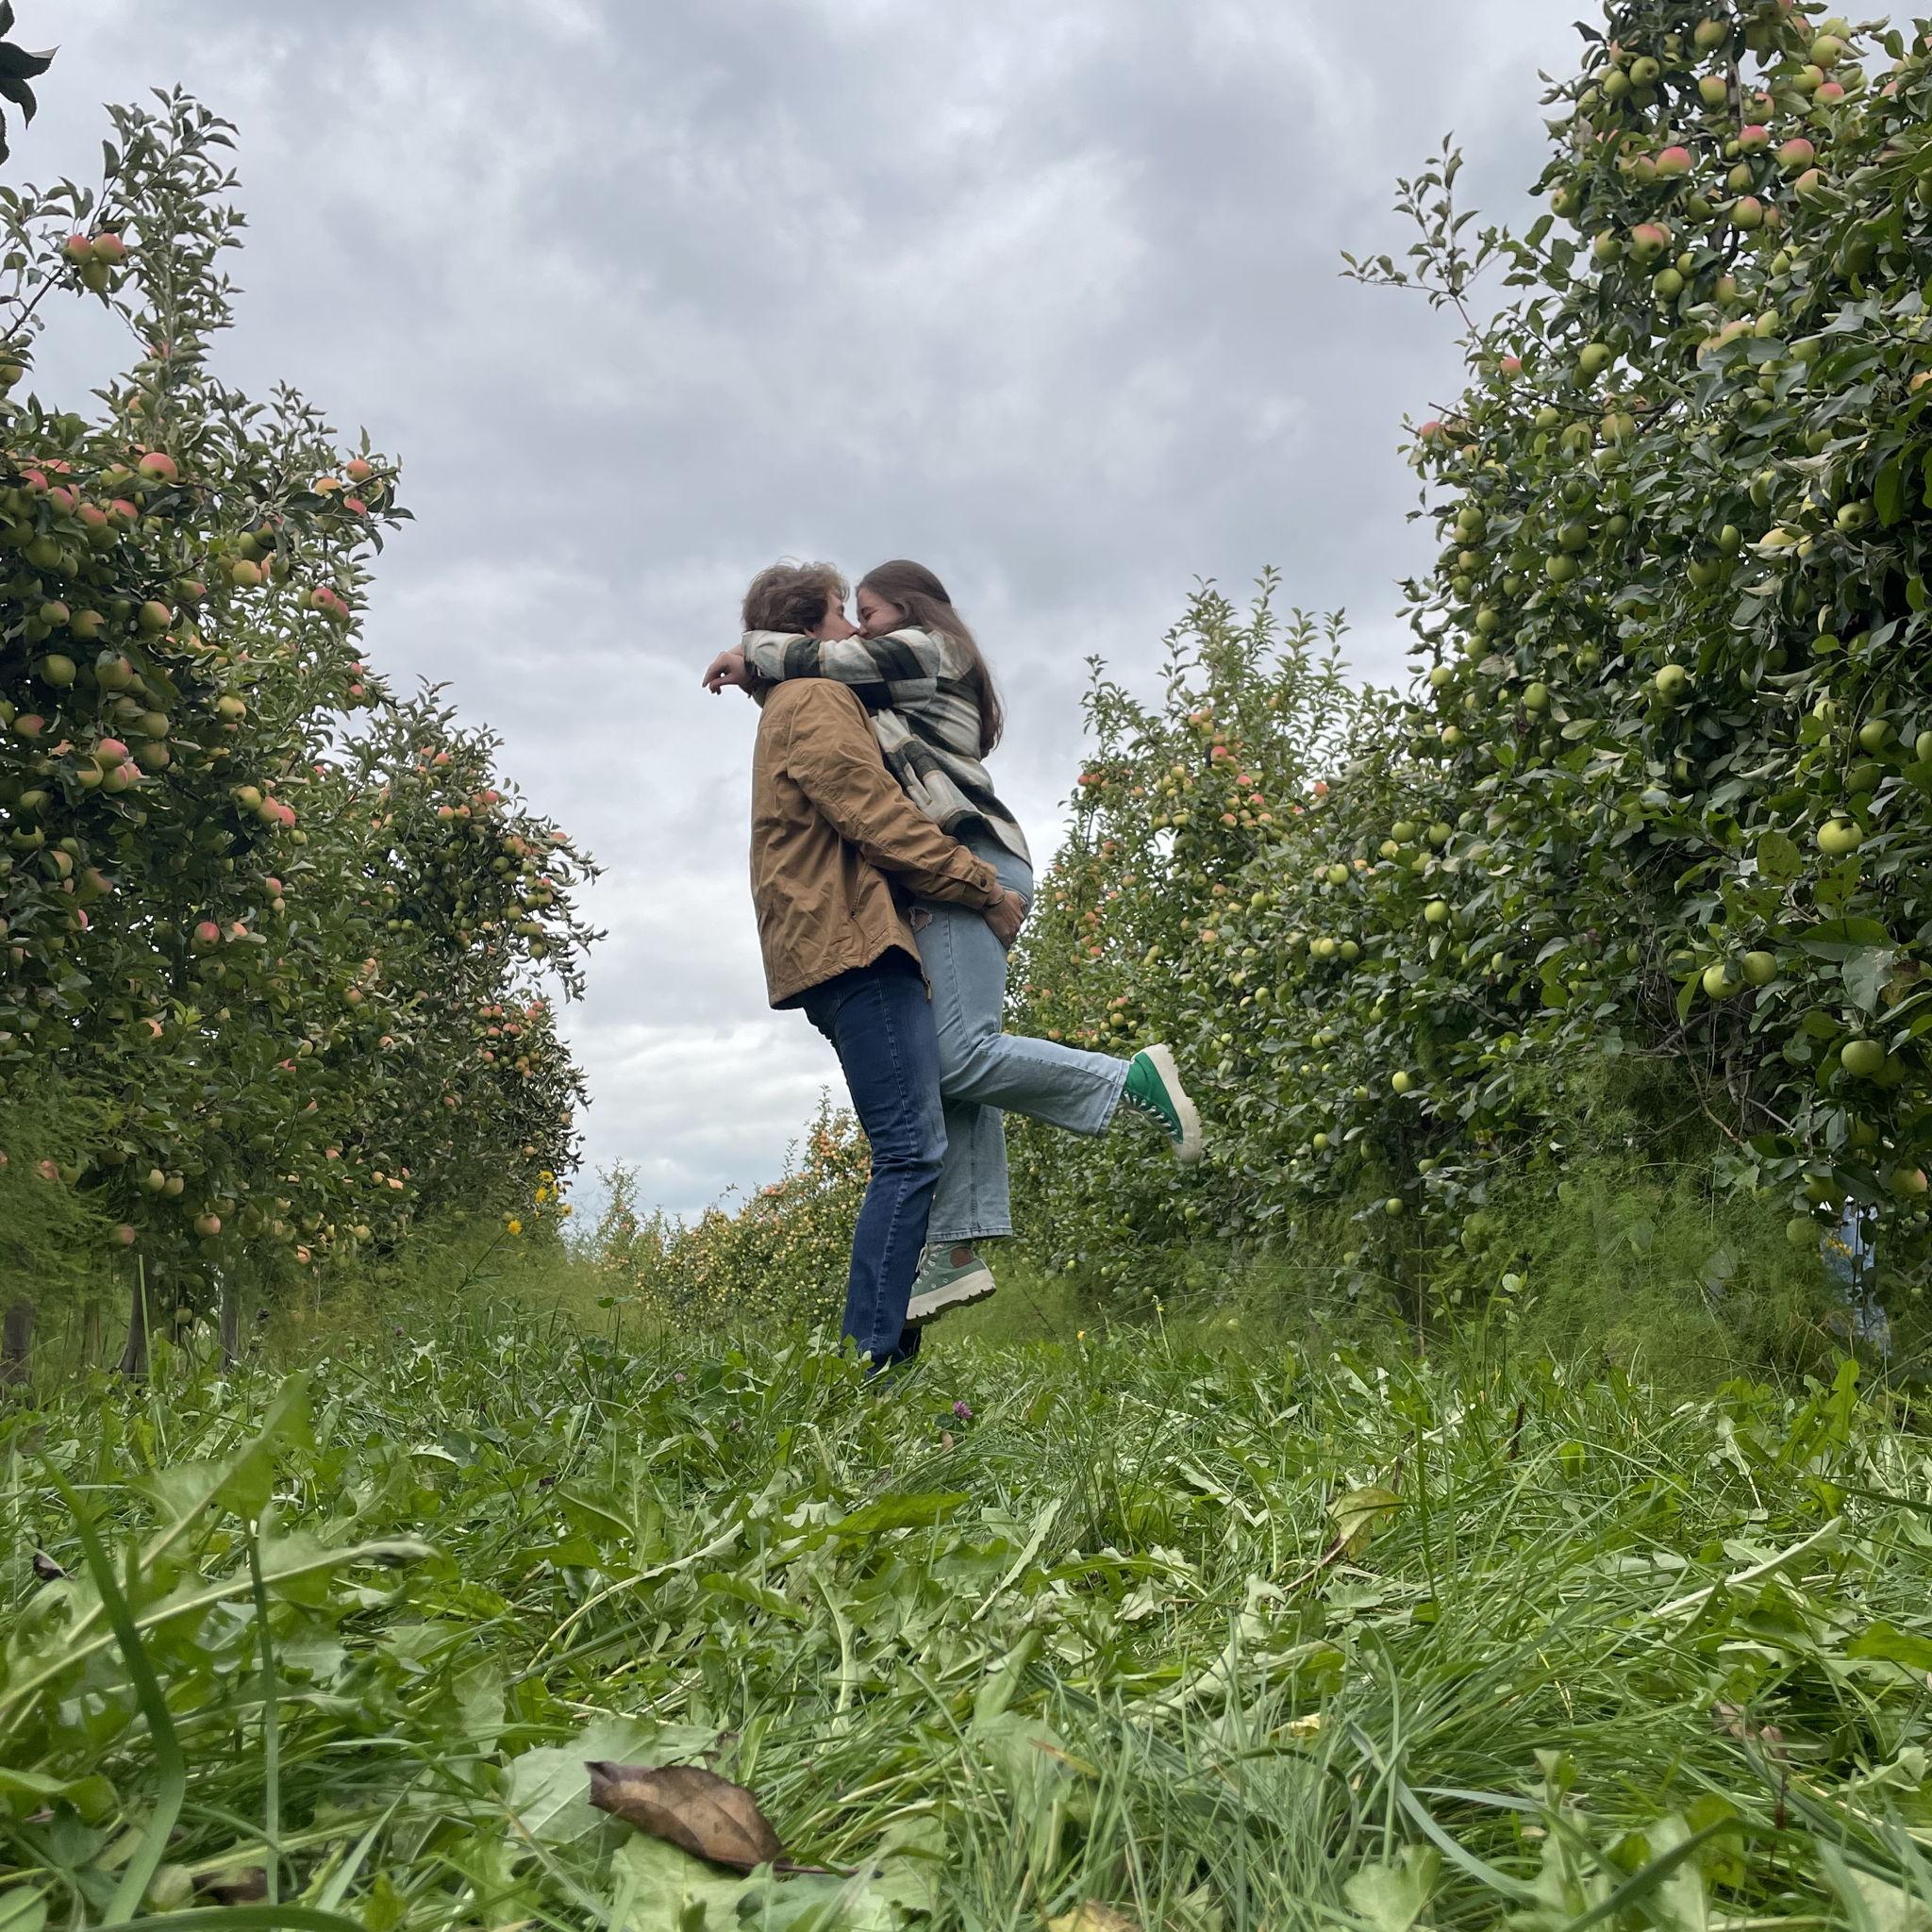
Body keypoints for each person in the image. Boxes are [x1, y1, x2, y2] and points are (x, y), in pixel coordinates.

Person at [705, 558, 1200, 1329]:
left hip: (972, 863)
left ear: (904, 608)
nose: (859, 626)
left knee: (961, 1053)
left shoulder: (932, 647)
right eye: (849, 611)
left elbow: (833, 677)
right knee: (947, 1062)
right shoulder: (853, 695)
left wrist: (754, 657)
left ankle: (1123, 1081)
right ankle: (959, 1244)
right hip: (955, 872)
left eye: (867, 611)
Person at [733, 560, 1021, 1371]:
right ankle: (869, 1360)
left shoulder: (796, 699)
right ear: (810, 627)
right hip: (853, 943)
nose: (855, 631)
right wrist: (979, 886)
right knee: (909, 1152)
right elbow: (871, 812)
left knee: (912, 1143)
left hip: (835, 943)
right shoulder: (817, 698)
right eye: (840, 614)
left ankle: (887, 1350)